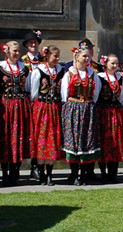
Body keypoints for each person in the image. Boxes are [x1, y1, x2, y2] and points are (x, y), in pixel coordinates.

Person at [61, 46, 102, 186]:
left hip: (88, 109)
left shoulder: (92, 73)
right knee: (74, 140)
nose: (87, 58)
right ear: (76, 57)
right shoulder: (69, 73)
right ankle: (74, 174)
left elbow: (96, 92)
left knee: (86, 140)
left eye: (88, 56)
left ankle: (84, 174)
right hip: (73, 108)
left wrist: (89, 104)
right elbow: (64, 94)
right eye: (84, 56)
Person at [30, 45, 64, 186]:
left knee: (53, 140)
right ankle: (42, 173)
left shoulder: (61, 71)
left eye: (58, 56)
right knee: (41, 139)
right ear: (47, 55)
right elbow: (33, 92)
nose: (57, 58)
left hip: (54, 108)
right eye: (54, 55)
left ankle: (50, 174)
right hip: (42, 108)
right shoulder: (38, 71)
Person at [0, 41, 33, 186]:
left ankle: (15, 169)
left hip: (20, 106)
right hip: (6, 106)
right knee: (6, 137)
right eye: (15, 51)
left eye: (19, 51)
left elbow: (28, 87)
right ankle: (5, 171)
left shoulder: (24, 69)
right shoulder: (1, 67)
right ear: (6, 51)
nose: (17, 54)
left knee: (19, 135)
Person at [97, 54, 123, 183]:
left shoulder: (121, 78)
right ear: (106, 64)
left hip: (116, 113)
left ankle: (113, 172)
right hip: (104, 113)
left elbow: (122, 96)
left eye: (116, 63)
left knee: (116, 142)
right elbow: (96, 95)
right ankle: (103, 173)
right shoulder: (100, 77)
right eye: (112, 63)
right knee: (104, 142)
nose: (115, 66)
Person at [21, 29, 43, 180]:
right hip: (24, 98)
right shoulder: (21, 60)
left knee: (38, 133)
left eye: (35, 42)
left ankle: (36, 166)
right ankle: (17, 165)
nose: (33, 44)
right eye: (30, 42)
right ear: (26, 45)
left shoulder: (44, 59)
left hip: (40, 100)